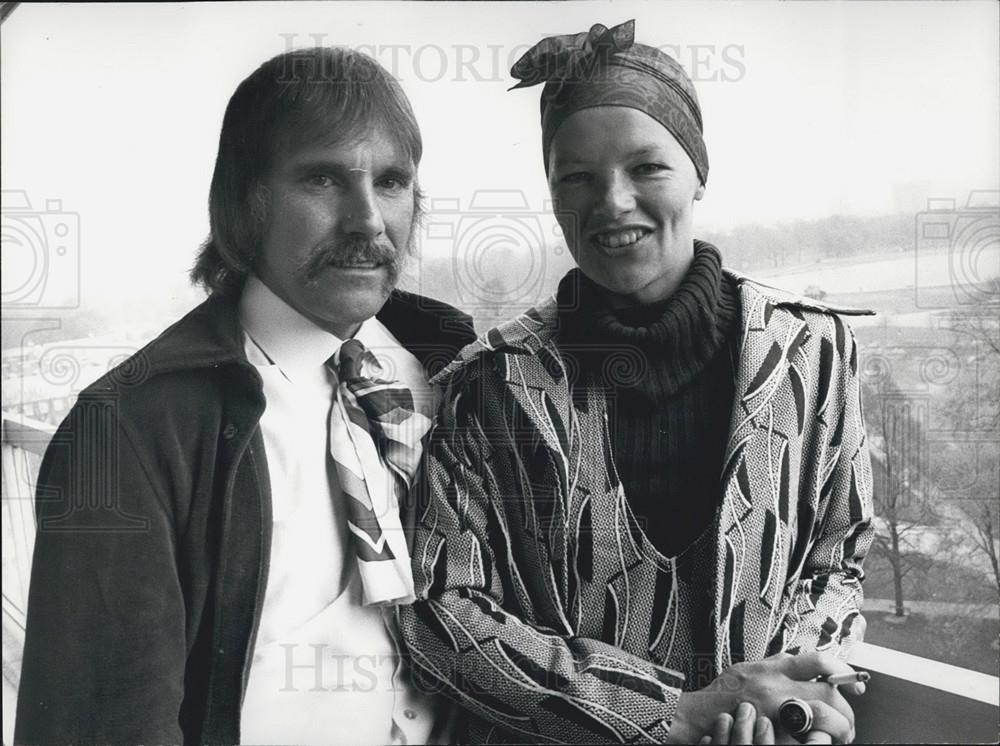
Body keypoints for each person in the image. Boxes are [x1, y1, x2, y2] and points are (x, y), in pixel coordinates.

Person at [400, 20, 874, 744]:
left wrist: (788, 691)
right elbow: (437, 611)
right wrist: (664, 716)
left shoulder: (815, 354)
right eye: (578, 178)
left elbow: (837, 561)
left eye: (646, 167)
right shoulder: (492, 386)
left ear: (698, 171)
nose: (613, 202)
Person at [15, 47, 475, 745]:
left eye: (391, 182)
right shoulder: (128, 432)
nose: (367, 219)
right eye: (323, 179)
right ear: (245, 203)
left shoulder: (451, 372)